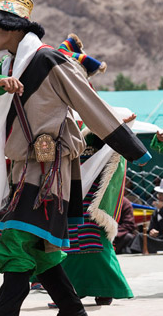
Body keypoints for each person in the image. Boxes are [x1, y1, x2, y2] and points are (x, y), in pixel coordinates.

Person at [0, 0, 151, 316]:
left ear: (13, 28)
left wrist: (134, 149)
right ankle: (72, 310)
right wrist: (0, 80)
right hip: (22, 168)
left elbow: (90, 105)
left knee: (17, 241)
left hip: (49, 170)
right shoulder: (10, 64)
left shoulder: (50, 60)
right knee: (42, 252)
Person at [52, 34, 133, 306]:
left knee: (91, 233)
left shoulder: (95, 104)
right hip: (71, 181)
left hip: (96, 187)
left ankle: (104, 287)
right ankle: (72, 290)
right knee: (69, 237)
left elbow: (114, 128)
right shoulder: (59, 103)